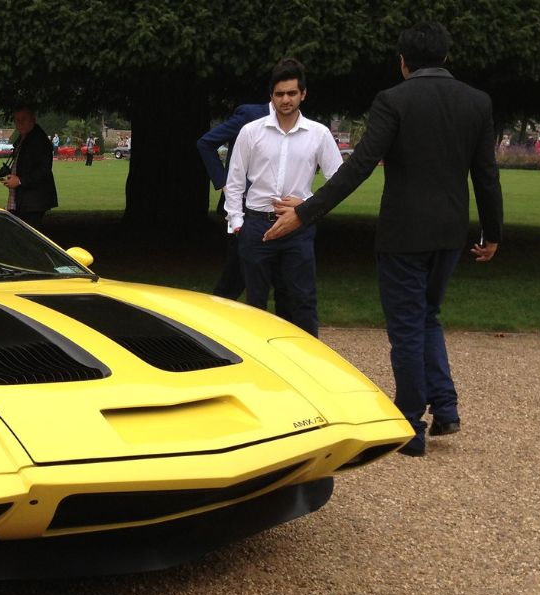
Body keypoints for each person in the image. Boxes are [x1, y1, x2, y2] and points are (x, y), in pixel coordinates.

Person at [263, 21, 503, 457]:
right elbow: (486, 174)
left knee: (408, 326)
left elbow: (359, 167)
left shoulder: (394, 99)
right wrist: (492, 232)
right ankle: (445, 406)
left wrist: (306, 212)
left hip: (403, 233)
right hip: (450, 231)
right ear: (446, 57)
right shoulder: (477, 101)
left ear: (403, 62)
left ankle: (411, 423)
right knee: (427, 315)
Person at [223, 58, 342, 339]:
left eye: (291, 93)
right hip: (256, 226)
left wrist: (308, 207)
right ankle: (260, 360)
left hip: (297, 226)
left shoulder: (318, 134)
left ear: (303, 94)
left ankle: (306, 359)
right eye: (279, 94)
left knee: (301, 301)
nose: (285, 100)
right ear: (271, 96)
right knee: (255, 305)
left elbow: (339, 181)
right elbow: (235, 181)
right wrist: (237, 223)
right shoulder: (251, 132)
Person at [196, 100, 270, 300]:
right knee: (238, 270)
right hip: (243, 205)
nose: (287, 100)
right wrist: (224, 183)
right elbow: (206, 143)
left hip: (275, 208)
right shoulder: (249, 116)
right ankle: (217, 312)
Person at [0, 105, 58, 229]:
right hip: (25, 198)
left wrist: (20, 181)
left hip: (33, 200)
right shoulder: (25, 137)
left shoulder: (39, 140)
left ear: (32, 119)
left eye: (23, 119)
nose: (19, 123)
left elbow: (43, 170)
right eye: (17, 120)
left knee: (28, 232)